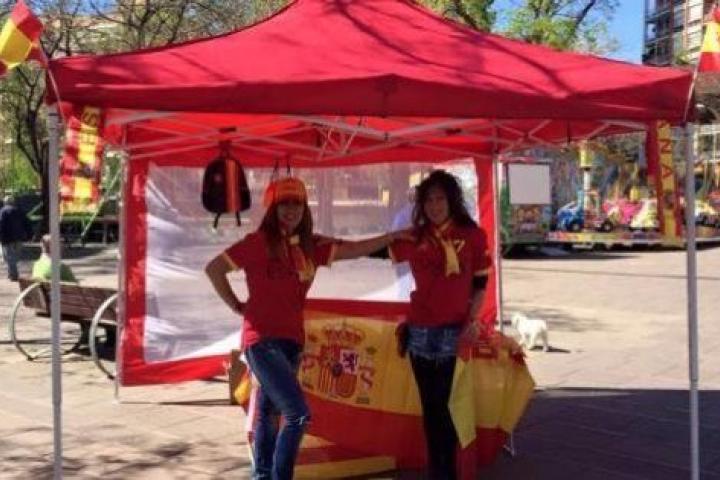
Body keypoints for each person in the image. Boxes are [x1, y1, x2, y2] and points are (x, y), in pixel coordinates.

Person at [205, 176, 406, 480]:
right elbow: (215, 269)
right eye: (284, 204)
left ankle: (262, 475)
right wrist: (236, 305)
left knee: (269, 413)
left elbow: (355, 249)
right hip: (261, 341)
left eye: (297, 204)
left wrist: (391, 237)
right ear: (273, 209)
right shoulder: (257, 243)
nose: (291, 210)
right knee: (297, 414)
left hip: (292, 343)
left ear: (305, 208)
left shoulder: (312, 246)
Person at [387, 170, 491, 480]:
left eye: (440, 199)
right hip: (419, 331)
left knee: (449, 407)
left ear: (451, 200)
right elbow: (374, 252)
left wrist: (473, 321)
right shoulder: (415, 237)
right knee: (430, 408)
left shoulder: (473, 236)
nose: (434, 206)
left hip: (453, 331)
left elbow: (480, 285)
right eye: (429, 200)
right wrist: (325, 246)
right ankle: (438, 471)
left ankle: (448, 471)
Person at [0, 195, 33, 281]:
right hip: (19, 237)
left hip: (7, 238)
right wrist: (30, 235)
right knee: (14, 257)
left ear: (5, 202)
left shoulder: (2, 211)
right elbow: (27, 223)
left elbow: (1, 225)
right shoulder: (20, 211)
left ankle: (14, 275)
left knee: (9, 257)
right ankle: (11, 273)